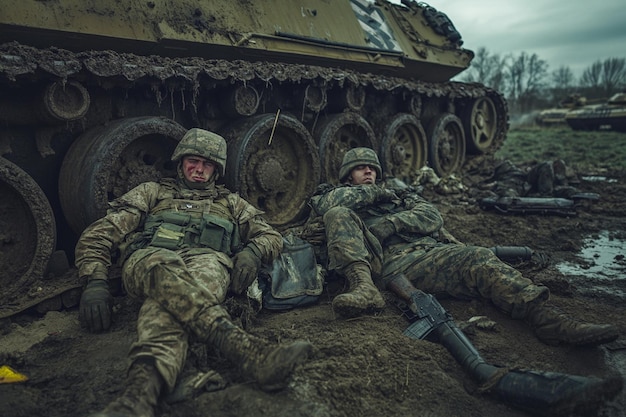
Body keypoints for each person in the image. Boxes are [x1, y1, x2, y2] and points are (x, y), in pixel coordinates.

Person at [76, 128, 313, 417]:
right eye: (193, 162)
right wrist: (95, 280)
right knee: (160, 263)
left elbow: (270, 236)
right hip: (149, 261)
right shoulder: (152, 193)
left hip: (206, 263)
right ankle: (243, 348)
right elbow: (99, 235)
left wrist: (252, 252)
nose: (199, 170)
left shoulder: (231, 203)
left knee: (164, 309)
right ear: (180, 162)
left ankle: (137, 398)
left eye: (207, 164)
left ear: (216, 170)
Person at [300, 147, 618, 348]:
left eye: (373, 168)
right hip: (383, 263)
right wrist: (377, 196)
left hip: (428, 258)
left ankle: (547, 319)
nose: (369, 171)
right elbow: (333, 206)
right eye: (361, 168)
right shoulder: (336, 194)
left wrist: (394, 222)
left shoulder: (401, 195)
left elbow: (431, 215)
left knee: (477, 257)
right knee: (339, 215)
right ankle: (363, 288)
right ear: (347, 176)